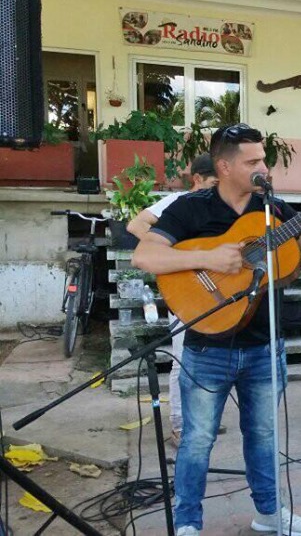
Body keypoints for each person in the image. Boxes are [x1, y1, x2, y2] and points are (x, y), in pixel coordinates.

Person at [132, 123, 301, 536]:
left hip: (263, 346)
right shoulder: (192, 207)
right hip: (206, 347)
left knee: (261, 436)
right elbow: (144, 256)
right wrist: (210, 259)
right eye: (253, 161)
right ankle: (187, 523)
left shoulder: (273, 209)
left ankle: (269, 513)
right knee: (198, 440)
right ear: (224, 166)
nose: (264, 168)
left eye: (264, 159)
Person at [126, 153, 219, 448]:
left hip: (212, 287)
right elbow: (136, 225)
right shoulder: (177, 202)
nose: (217, 188)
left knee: (210, 357)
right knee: (184, 355)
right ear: (198, 179)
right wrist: (177, 256)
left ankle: (200, 419)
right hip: (185, 286)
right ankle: (179, 425)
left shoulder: (215, 206)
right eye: (213, 183)